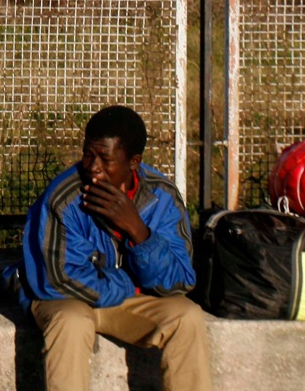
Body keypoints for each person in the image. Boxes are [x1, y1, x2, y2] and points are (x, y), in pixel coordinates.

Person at [13, 105, 211, 391]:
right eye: (87, 154)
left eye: (105, 159)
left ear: (134, 162)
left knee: (187, 317)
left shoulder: (162, 197)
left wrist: (138, 231)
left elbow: (180, 281)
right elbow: (59, 280)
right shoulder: (63, 198)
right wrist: (129, 283)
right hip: (65, 299)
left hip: (121, 300)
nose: (93, 167)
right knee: (71, 322)